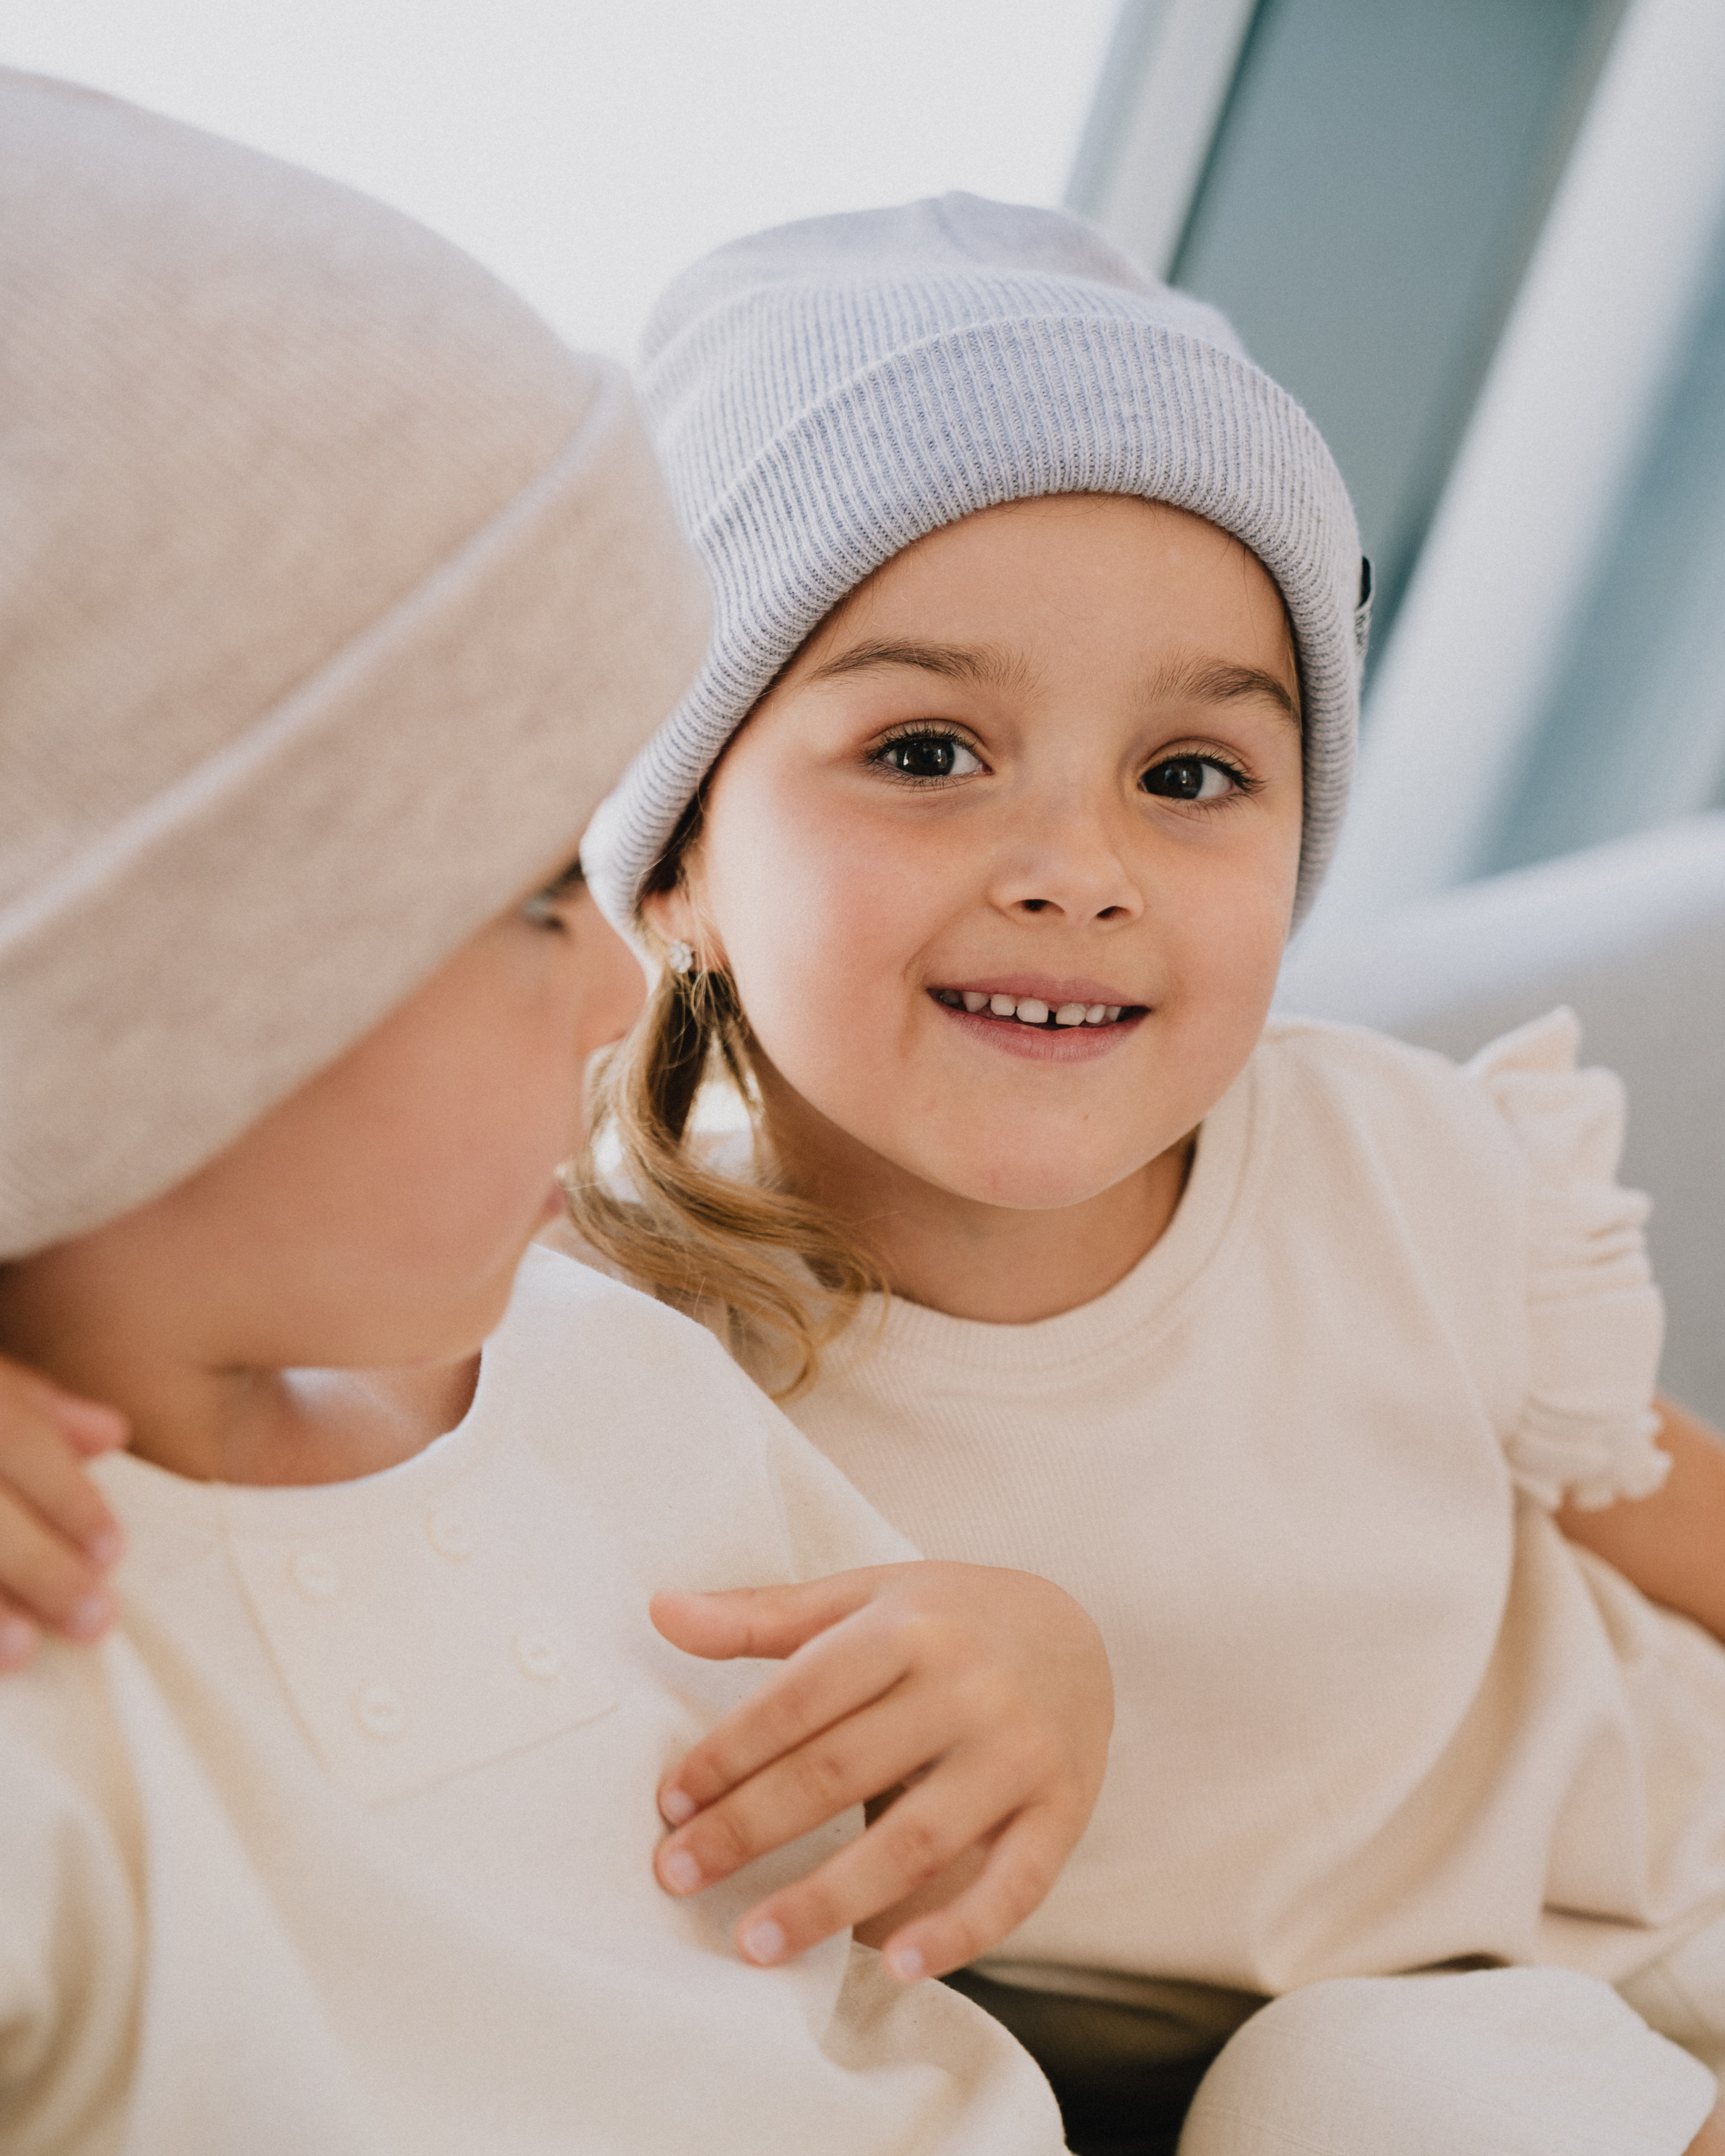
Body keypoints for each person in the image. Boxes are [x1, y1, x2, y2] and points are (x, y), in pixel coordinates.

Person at [8, 182, 1725, 2155]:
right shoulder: (609, 1328)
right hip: (1431, 2069)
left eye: (1192, 779)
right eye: (926, 753)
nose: (1079, 866)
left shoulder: (1397, 1160)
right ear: (666, 876)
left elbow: (1654, 1503)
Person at [0, 83, 1112, 2155]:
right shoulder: (48, 1709)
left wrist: (1032, 1674)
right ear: (135, 994)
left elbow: (928, 1678)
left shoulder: (606, 1371)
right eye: (527, 901)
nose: (621, 987)